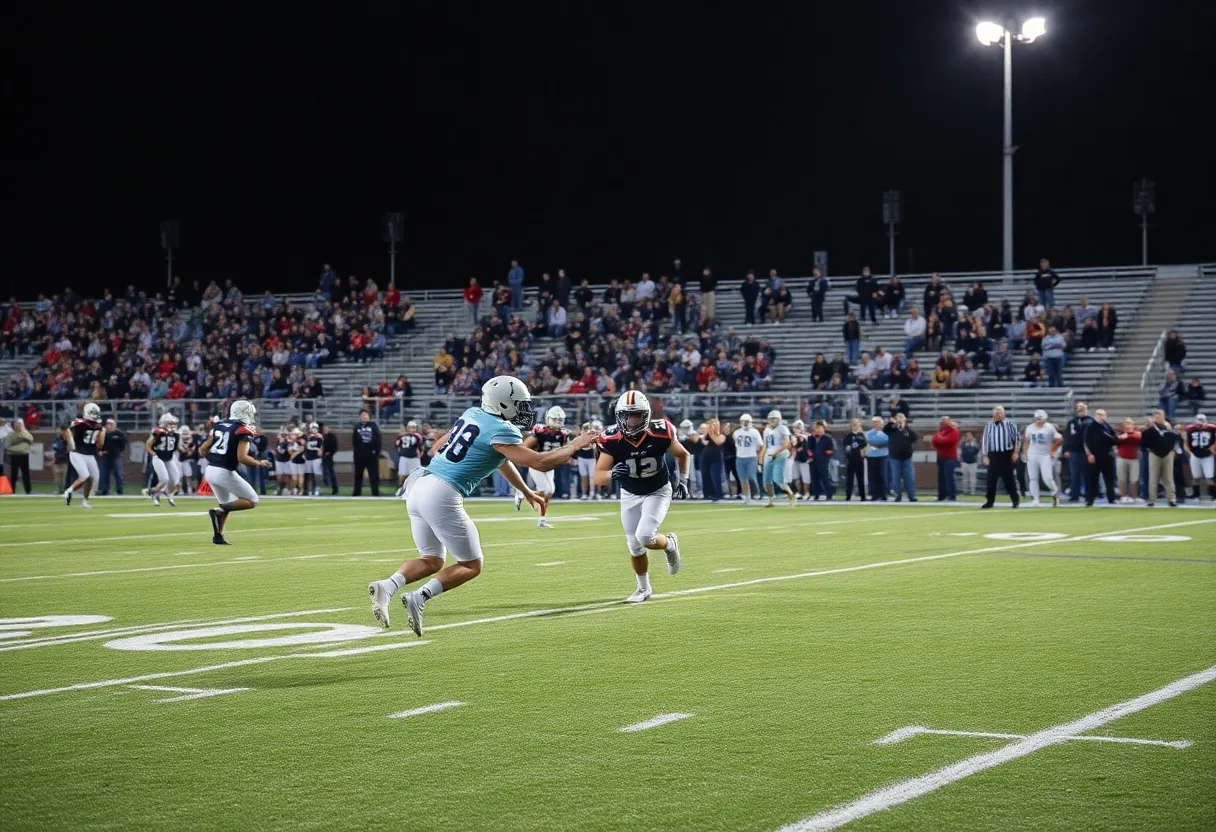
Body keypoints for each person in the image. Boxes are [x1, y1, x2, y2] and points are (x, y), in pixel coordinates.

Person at [368, 376, 598, 634]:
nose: (524, 410)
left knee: (432, 560)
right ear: (503, 403)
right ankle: (418, 598)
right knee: (471, 564)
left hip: (420, 485)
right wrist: (576, 443)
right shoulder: (502, 429)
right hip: (442, 492)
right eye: (519, 404)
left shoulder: (473, 414)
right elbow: (540, 462)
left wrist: (525, 491)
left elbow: (449, 449)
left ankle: (387, 586)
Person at [591, 390, 690, 602]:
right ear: (619, 416)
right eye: (627, 415)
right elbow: (598, 477)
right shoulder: (611, 439)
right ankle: (643, 589)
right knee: (633, 545)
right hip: (629, 493)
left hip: (658, 490)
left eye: (636, 415)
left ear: (646, 415)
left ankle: (669, 543)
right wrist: (611, 474)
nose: (631, 421)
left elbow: (683, 454)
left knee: (644, 536)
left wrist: (683, 479)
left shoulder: (661, 432)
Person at [199, 400, 273, 545]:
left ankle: (218, 535)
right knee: (252, 500)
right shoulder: (242, 430)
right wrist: (259, 463)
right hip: (223, 471)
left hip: (211, 470)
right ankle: (218, 511)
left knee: (226, 504)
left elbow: (202, 449)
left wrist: (215, 460)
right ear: (244, 413)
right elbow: (242, 458)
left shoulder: (220, 425)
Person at [513, 405, 570, 527]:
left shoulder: (563, 434)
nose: (558, 422)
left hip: (550, 465)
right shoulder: (540, 432)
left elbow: (565, 450)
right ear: (548, 419)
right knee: (546, 490)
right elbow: (525, 447)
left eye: (560, 420)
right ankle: (523, 494)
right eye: (555, 419)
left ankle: (541, 519)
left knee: (550, 491)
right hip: (537, 464)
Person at [64, 402, 105, 509]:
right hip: (77, 453)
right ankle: (68, 492)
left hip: (89, 454)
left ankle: (85, 501)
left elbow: (100, 444)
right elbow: (68, 430)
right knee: (85, 476)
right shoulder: (79, 423)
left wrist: (102, 435)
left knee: (94, 477)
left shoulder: (98, 425)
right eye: (94, 412)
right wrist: (71, 442)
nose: (96, 415)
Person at [981, 405, 1020, 509]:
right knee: (991, 480)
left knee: (1009, 479)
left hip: (1006, 454)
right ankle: (989, 501)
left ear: (1004, 413)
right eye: (996, 412)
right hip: (993, 454)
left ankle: (1015, 500)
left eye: (1000, 412)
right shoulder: (988, 425)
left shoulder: (1010, 424)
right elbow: (985, 441)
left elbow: (1017, 439)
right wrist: (985, 455)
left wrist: (1016, 452)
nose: (998, 414)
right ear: (993, 414)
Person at [1022, 409, 1063, 507]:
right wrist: (1025, 453)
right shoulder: (1029, 428)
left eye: (1040, 419)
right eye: (1037, 419)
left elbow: (1059, 439)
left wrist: (1052, 450)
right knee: (1033, 478)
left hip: (1045, 455)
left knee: (1047, 478)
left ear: (1045, 419)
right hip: (1032, 454)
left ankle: (1054, 492)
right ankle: (1035, 499)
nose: (1038, 421)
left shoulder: (1050, 427)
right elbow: (1026, 441)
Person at [142, 412, 182, 507]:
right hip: (158, 457)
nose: (173, 425)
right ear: (164, 423)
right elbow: (148, 444)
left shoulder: (175, 434)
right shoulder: (158, 432)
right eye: (170, 423)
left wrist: (184, 450)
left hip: (169, 458)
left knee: (175, 479)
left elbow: (176, 447)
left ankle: (169, 494)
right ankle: (154, 494)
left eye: (173, 423)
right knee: (164, 479)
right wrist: (153, 453)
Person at [1141, 410, 1179, 507]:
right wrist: (1150, 450)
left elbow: (1176, 439)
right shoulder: (1149, 430)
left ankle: (1171, 499)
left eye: (1161, 417)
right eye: (1157, 418)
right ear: (1154, 418)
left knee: (1168, 478)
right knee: (1153, 478)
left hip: (1168, 454)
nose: (1159, 419)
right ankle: (1151, 500)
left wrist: (1174, 450)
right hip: (1154, 454)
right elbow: (1143, 443)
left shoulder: (1169, 428)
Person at [1083, 409, 1118, 507]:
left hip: (1107, 456)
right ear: (1095, 416)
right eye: (1098, 415)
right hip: (1095, 456)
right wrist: (1089, 454)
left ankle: (1111, 498)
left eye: (1102, 415)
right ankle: (1090, 500)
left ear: (1105, 416)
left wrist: (1110, 438)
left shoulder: (1107, 426)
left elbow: (1115, 438)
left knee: (1109, 479)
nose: (1100, 416)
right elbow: (1086, 441)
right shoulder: (1090, 426)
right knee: (1092, 479)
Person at [761, 410, 796, 507]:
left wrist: (776, 452)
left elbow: (786, 444)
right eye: (771, 419)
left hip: (781, 453)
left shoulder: (782, 428)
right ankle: (771, 500)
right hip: (769, 454)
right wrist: (761, 457)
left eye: (774, 419)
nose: (772, 421)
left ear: (779, 419)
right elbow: (765, 445)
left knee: (777, 478)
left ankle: (791, 495)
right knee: (766, 480)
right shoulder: (766, 430)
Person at [883, 413, 918, 502]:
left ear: (905, 418)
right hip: (895, 457)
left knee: (909, 477)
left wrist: (904, 426)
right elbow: (885, 430)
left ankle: (911, 496)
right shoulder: (892, 429)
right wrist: (892, 423)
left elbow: (915, 438)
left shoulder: (908, 430)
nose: (900, 419)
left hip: (907, 457)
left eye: (901, 417)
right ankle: (898, 496)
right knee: (895, 477)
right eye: (898, 417)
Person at [1064, 402, 1094, 502]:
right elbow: (1067, 436)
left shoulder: (1091, 421)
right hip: (1074, 451)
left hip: (1087, 451)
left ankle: (1089, 494)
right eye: (1079, 408)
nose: (1081, 410)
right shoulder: (1072, 422)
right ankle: (1074, 494)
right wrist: (1066, 449)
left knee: (1088, 474)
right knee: (1074, 474)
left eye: (1083, 407)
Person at [732, 413, 763, 504]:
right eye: (744, 422)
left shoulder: (754, 432)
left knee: (751, 476)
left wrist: (758, 455)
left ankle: (755, 494)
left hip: (751, 457)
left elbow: (760, 445)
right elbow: (737, 445)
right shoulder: (736, 433)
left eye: (747, 422)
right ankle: (747, 497)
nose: (745, 423)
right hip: (740, 457)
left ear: (750, 422)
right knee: (743, 479)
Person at [1184, 414, 1215, 501]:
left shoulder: (1212, 428)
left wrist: (1214, 447)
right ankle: (1196, 495)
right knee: (1196, 476)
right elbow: (1186, 441)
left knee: (1209, 476)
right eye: (1198, 424)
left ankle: (1213, 495)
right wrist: (1189, 451)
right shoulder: (1190, 429)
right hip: (1195, 455)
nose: (1199, 426)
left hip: (1208, 455)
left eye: (1200, 424)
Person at [351, 410, 383, 496]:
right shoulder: (357, 426)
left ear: (369, 416)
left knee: (373, 474)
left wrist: (376, 452)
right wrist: (356, 453)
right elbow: (354, 441)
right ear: (360, 417)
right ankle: (357, 492)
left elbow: (378, 439)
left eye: (366, 415)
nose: (364, 416)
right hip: (359, 454)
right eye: (362, 415)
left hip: (371, 454)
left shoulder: (373, 425)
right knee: (358, 474)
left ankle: (375, 492)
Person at [931, 416, 960, 501]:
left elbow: (950, 441)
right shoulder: (940, 431)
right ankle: (941, 496)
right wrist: (940, 439)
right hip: (941, 457)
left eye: (943, 421)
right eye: (941, 421)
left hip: (950, 457)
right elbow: (934, 440)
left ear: (948, 422)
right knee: (941, 478)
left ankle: (952, 496)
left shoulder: (953, 431)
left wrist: (940, 439)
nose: (941, 423)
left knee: (949, 477)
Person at [394, 421, 424, 497]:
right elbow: (397, 445)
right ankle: (401, 489)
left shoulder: (416, 436)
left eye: (413, 427)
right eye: (410, 427)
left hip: (413, 458)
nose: (411, 429)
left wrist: (419, 456)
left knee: (416, 475)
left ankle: (414, 491)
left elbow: (397, 446)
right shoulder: (403, 436)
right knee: (402, 475)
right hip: (405, 457)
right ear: (407, 428)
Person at [97, 419, 127, 496]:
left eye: (111, 424)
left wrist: (120, 451)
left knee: (118, 473)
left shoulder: (119, 434)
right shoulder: (103, 433)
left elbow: (123, 443)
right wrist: (100, 451)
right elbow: (99, 443)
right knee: (104, 473)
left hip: (116, 456)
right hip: (105, 456)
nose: (109, 426)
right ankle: (104, 490)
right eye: (108, 424)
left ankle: (119, 491)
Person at [1115, 419, 1141, 504]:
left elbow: (1137, 438)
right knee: (1122, 478)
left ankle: (1135, 496)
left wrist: (1125, 437)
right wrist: (1121, 437)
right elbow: (1115, 441)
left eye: (1129, 424)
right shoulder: (1120, 435)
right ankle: (1123, 496)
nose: (1128, 426)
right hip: (1121, 458)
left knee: (1134, 479)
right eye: (1126, 424)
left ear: (1133, 425)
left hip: (1134, 458)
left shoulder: (1136, 434)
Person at [700, 418, 727, 502]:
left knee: (715, 475)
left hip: (716, 457)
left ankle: (718, 494)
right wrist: (707, 431)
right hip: (706, 456)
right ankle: (708, 493)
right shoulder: (707, 435)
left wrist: (712, 434)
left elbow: (717, 442)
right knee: (705, 475)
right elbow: (704, 442)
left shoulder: (721, 436)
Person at [4, 418, 33, 494]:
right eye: (16, 424)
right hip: (14, 456)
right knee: (14, 473)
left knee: (25, 473)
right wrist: (19, 446)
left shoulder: (26, 433)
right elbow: (7, 446)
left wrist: (23, 438)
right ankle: (12, 490)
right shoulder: (11, 435)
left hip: (24, 455)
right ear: (14, 426)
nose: (18, 426)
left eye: (19, 424)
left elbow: (30, 441)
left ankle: (28, 490)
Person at [841, 418, 867, 500]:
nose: (856, 426)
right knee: (849, 479)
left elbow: (864, 444)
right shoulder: (848, 436)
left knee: (860, 479)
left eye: (857, 424)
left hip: (859, 459)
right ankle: (848, 496)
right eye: (854, 425)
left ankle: (862, 496)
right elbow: (845, 446)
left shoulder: (861, 436)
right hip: (850, 459)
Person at [864, 416, 889, 500]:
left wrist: (876, 443)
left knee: (883, 475)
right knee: (872, 476)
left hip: (883, 456)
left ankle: (884, 494)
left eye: (877, 422)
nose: (876, 424)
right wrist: (879, 443)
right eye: (874, 422)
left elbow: (887, 441)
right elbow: (868, 441)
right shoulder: (868, 433)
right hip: (871, 456)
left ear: (881, 424)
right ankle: (874, 494)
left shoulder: (886, 433)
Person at [809, 420, 835, 500]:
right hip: (813, 461)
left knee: (825, 478)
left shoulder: (827, 438)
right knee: (814, 478)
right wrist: (810, 456)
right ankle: (816, 494)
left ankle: (829, 494)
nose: (818, 429)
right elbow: (808, 448)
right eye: (816, 428)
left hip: (823, 461)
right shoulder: (811, 438)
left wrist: (825, 456)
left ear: (823, 428)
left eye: (820, 428)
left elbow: (830, 450)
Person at [321, 423, 339, 495]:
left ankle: (334, 487)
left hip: (328, 457)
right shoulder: (320, 436)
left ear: (329, 429)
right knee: (324, 470)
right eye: (324, 428)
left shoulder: (332, 436)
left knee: (330, 472)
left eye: (326, 428)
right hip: (320, 457)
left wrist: (330, 452)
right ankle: (326, 482)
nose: (325, 430)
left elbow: (335, 447)